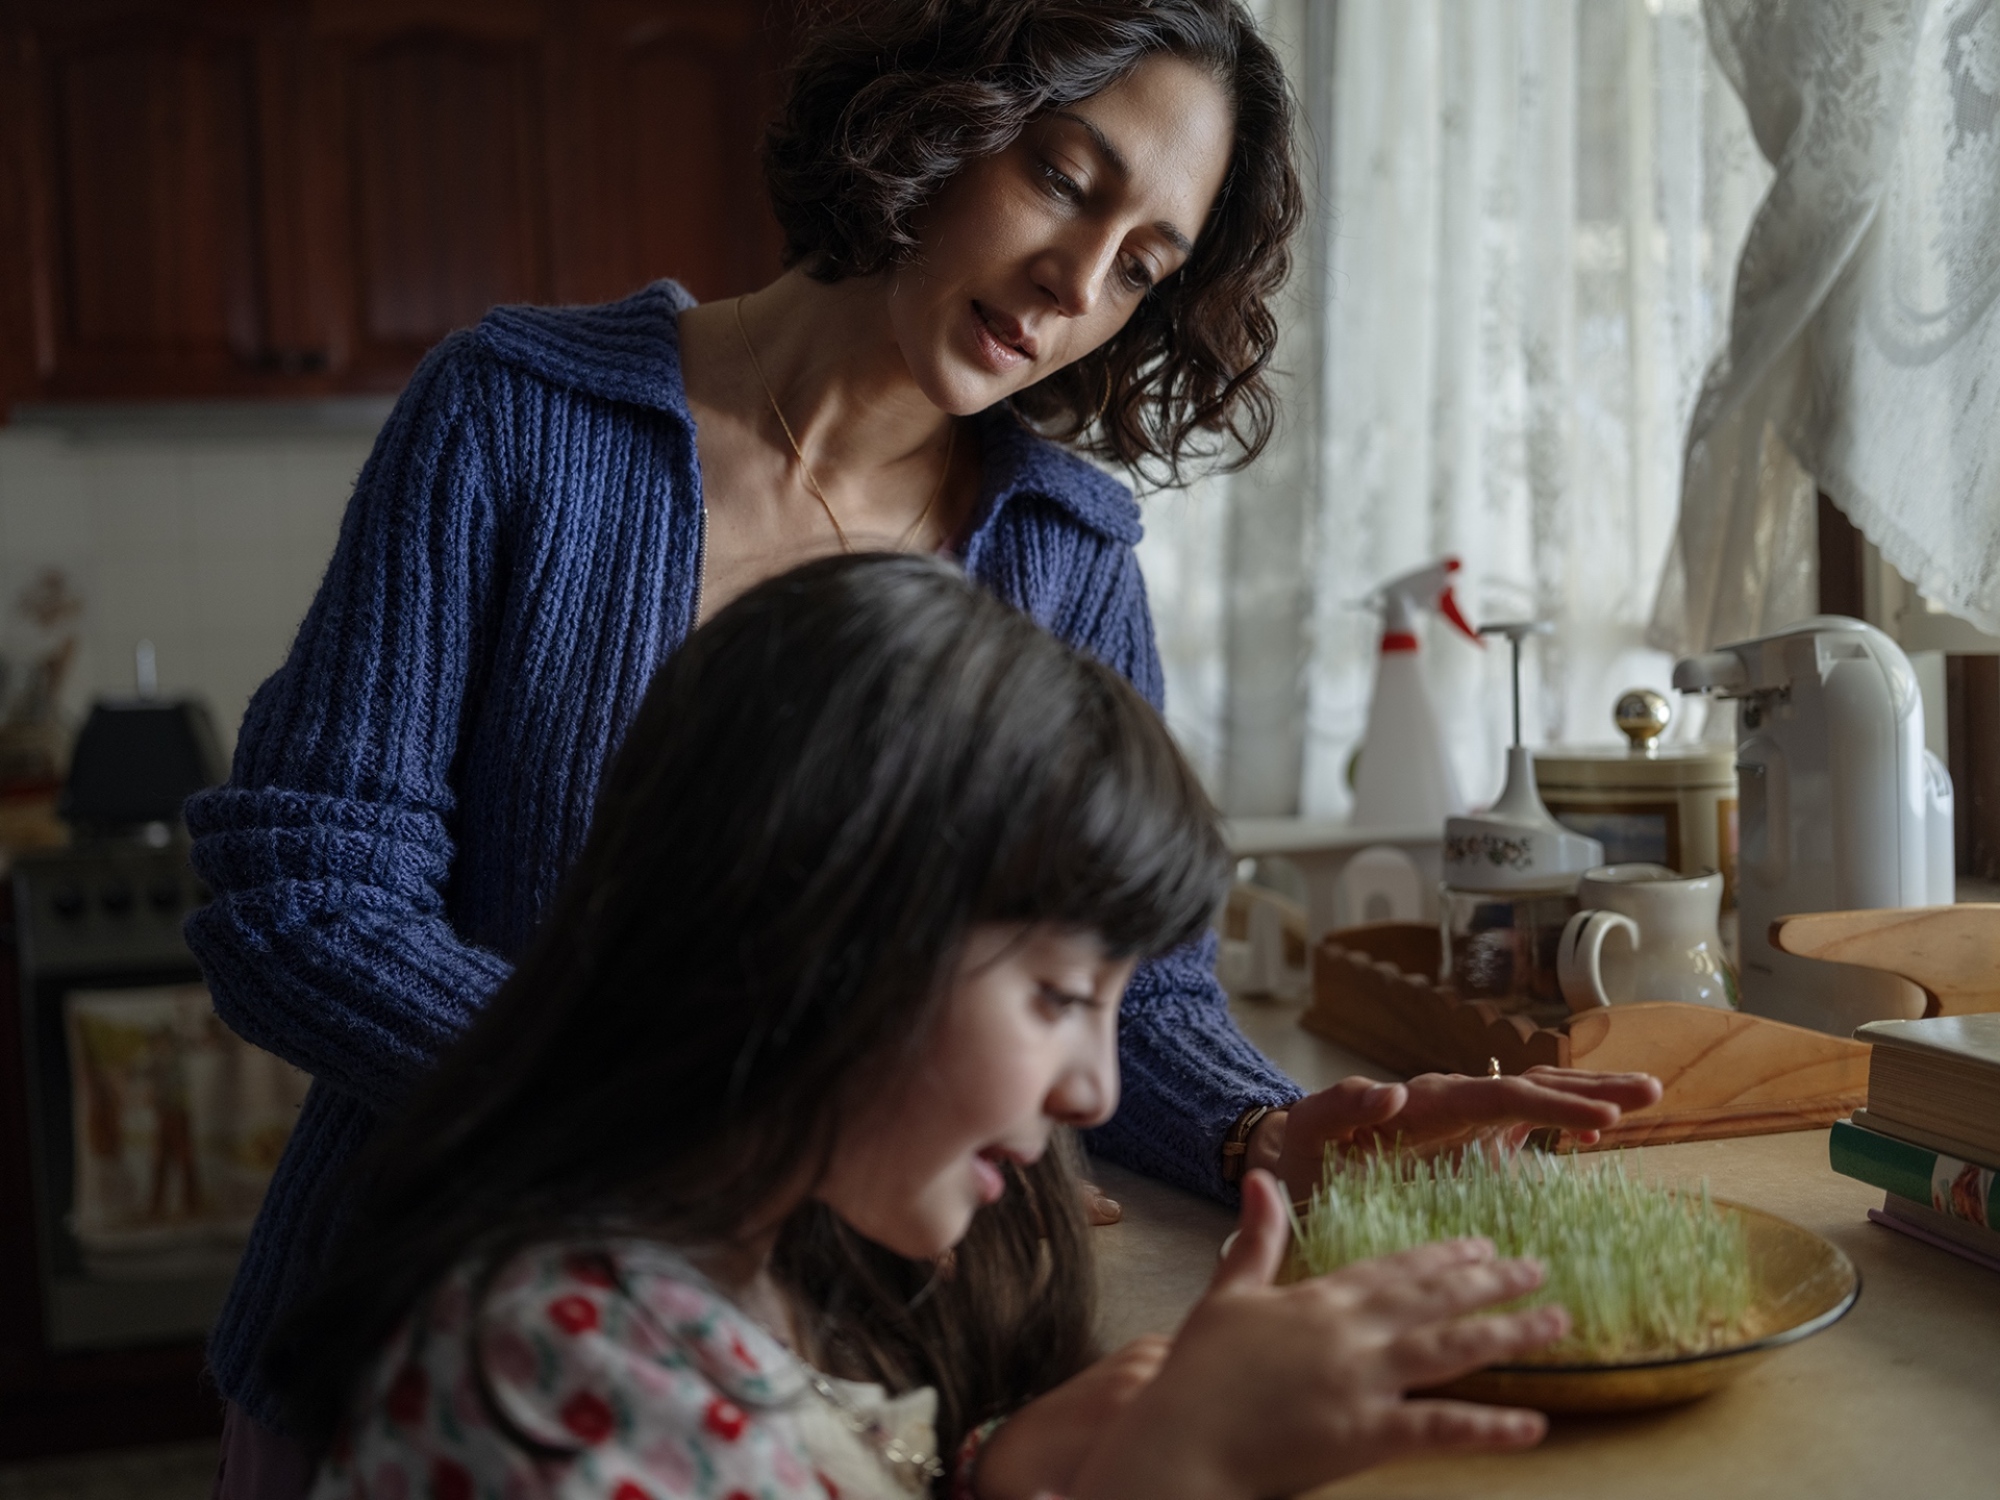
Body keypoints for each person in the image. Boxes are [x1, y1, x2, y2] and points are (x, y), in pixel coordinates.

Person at [186, 1, 1660, 1486]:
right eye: (1066, 180)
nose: (1077, 282)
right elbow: (302, 902)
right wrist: (743, 1131)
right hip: (438, 1350)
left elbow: (1115, 990)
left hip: (838, 1391)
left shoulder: (1068, 553)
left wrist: (1254, 1132)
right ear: (931, 119)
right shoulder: (518, 417)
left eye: (1143, 264)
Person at [271, 553, 1577, 1500]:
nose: (1096, 1094)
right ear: (816, 938)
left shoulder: (733, 1292)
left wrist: (1003, 1477)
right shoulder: (558, 1391)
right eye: (1062, 998)